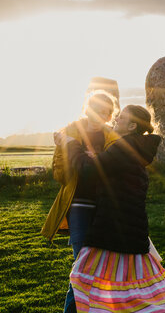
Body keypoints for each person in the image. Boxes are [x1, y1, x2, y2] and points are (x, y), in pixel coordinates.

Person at [56, 105, 165, 312]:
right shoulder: (136, 148)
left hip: (113, 227)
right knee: (119, 283)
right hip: (128, 226)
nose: (116, 120)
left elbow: (89, 170)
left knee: (83, 276)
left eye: (122, 118)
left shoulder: (124, 148)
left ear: (132, 125)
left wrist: (72, 145)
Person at [41, 91, 119, 313]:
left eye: (106, 112)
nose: (101, 115)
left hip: (105, 206)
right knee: (82, 265)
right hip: (79, 206)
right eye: (98, 109)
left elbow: (114, 170)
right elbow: (59, 175)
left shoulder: (111, 137)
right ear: (88, 108)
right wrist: (74, 152)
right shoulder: (70, 132)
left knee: (101, 266)